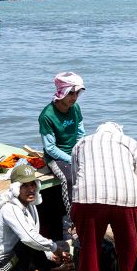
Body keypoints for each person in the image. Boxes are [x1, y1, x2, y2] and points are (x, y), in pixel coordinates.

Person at [70, 121, 137, 271]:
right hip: (127, 199)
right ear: (119, 132)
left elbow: (76, 179)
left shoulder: (82, 143)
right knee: (129, 253)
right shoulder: (132, 143)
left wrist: (75, 216)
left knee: (89, 254)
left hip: (88, 199)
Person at [0, 165, 74, 271]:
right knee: (31, 242)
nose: (31, 189)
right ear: (16, 189)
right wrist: (54, 249)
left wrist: (51, 254)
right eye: (25, 186)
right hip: (4, 270)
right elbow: (29, 239)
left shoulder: (30, 205)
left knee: (63, 246)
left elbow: (35, 237)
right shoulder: (10, 209)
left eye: (32, 185)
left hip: (21, 258)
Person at [40, 72, 85, 233]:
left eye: (77, 93)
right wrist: (71, 159)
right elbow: (50, 148)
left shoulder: (75, 108)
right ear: (62, 92)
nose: (74, 97)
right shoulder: (47, 115)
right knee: (69, 178)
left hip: (74, 152)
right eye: (70, 93)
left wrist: (81, 152)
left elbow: (80, 133)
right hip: (55, 157)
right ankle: (74, 219)